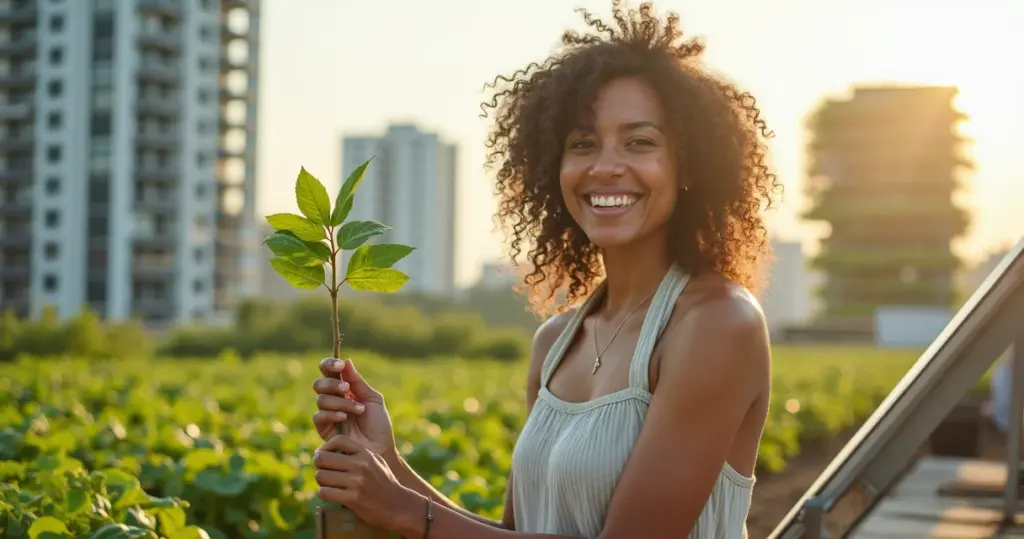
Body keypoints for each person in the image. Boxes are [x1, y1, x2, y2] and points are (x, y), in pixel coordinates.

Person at [310, 1, 779, 537]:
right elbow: (520, 533)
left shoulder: (718, 324)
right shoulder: (557, 339)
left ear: (689, 165)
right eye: (582, 144)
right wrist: (388, 462)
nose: (605, 165)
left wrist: (399, 508)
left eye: (639, 142)